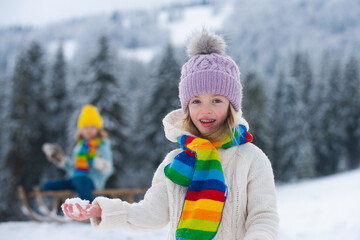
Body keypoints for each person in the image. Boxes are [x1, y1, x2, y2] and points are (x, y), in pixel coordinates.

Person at [62, 32, 279, 239]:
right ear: (186, 108)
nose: (206, 110)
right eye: (196, 101)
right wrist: (101, 209)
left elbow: (263, 216)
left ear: (232, 106)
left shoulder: (252, 159)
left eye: (216, 100)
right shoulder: (176, 161)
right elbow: (151, 213)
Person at [41, 104, 113, 201]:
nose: (89, 131)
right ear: (81, 130)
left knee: (81, 181)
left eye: (92, 127)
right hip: (75, 178)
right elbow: (73, 167)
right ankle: (56, 208)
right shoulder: (80, 147)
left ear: (98, 129)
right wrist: (62, 160)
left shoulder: (101, 145)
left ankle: (89, 208)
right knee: (47, 186)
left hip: (93, 181)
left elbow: (109, 169)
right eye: (86, 127)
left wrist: (101, 164)